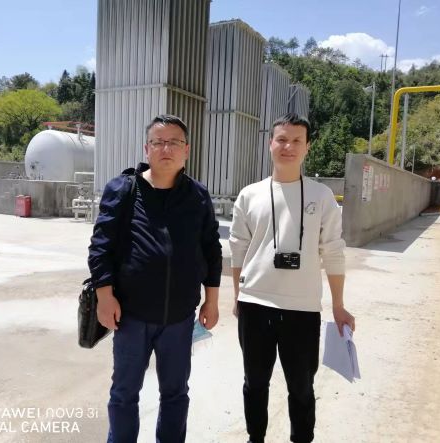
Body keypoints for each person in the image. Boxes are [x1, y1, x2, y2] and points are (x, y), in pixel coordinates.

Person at [88, 114, 222, 443]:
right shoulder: (124, 189)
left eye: (174, 142)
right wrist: (104, 296)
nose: (166, 149)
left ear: (186, 150)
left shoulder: (197, 196)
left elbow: (211, 249)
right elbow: (100, 247)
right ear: (147, 148)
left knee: (176, 393)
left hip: (179, 318)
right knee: (124, 393)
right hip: (131, 316)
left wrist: (212, 300)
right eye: (158, 142)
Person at [229, 113, 355, 443]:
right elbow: (238, 249)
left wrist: (338, 305)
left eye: (297, 140)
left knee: (301, 387)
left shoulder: (321, 196)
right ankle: (255, 438)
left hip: (303, 309)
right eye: (282, 139)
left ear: (307, 147)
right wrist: (237, 296)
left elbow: (334, 251)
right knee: (254, 383)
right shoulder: (249, 195)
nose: (288, 147)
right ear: (270, 143)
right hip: (255, 304)